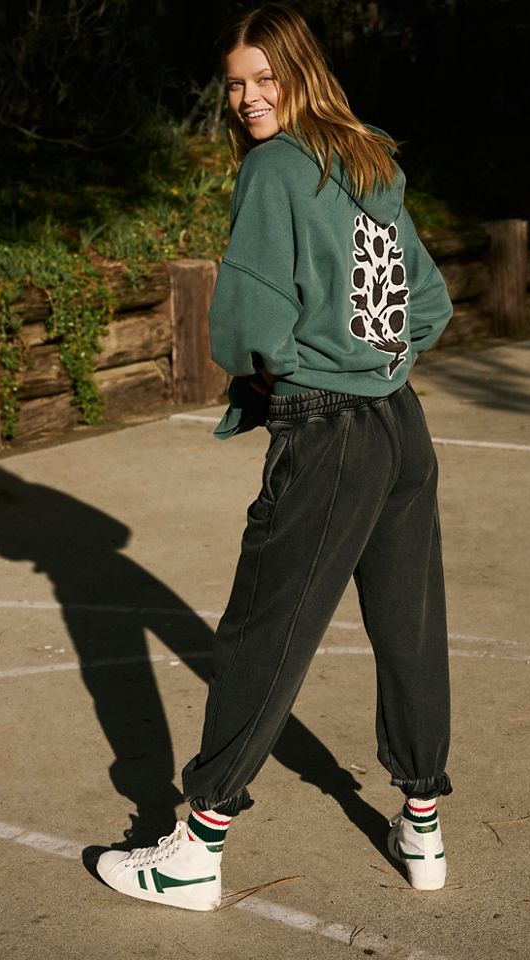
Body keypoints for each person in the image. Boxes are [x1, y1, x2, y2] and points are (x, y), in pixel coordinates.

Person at [96, 1, 454, 910]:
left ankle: (196, 849)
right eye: (235, 84)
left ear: (302, 73)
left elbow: (250, 325)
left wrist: (294, 373)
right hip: (401, 427)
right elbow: (429, 304)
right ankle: (422, 826)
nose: (248, 98)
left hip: (330, 431)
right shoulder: (370, 159)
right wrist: (379, 361)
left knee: (265, 633)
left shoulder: (274, 169)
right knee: (410, 628)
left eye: (266, 78)